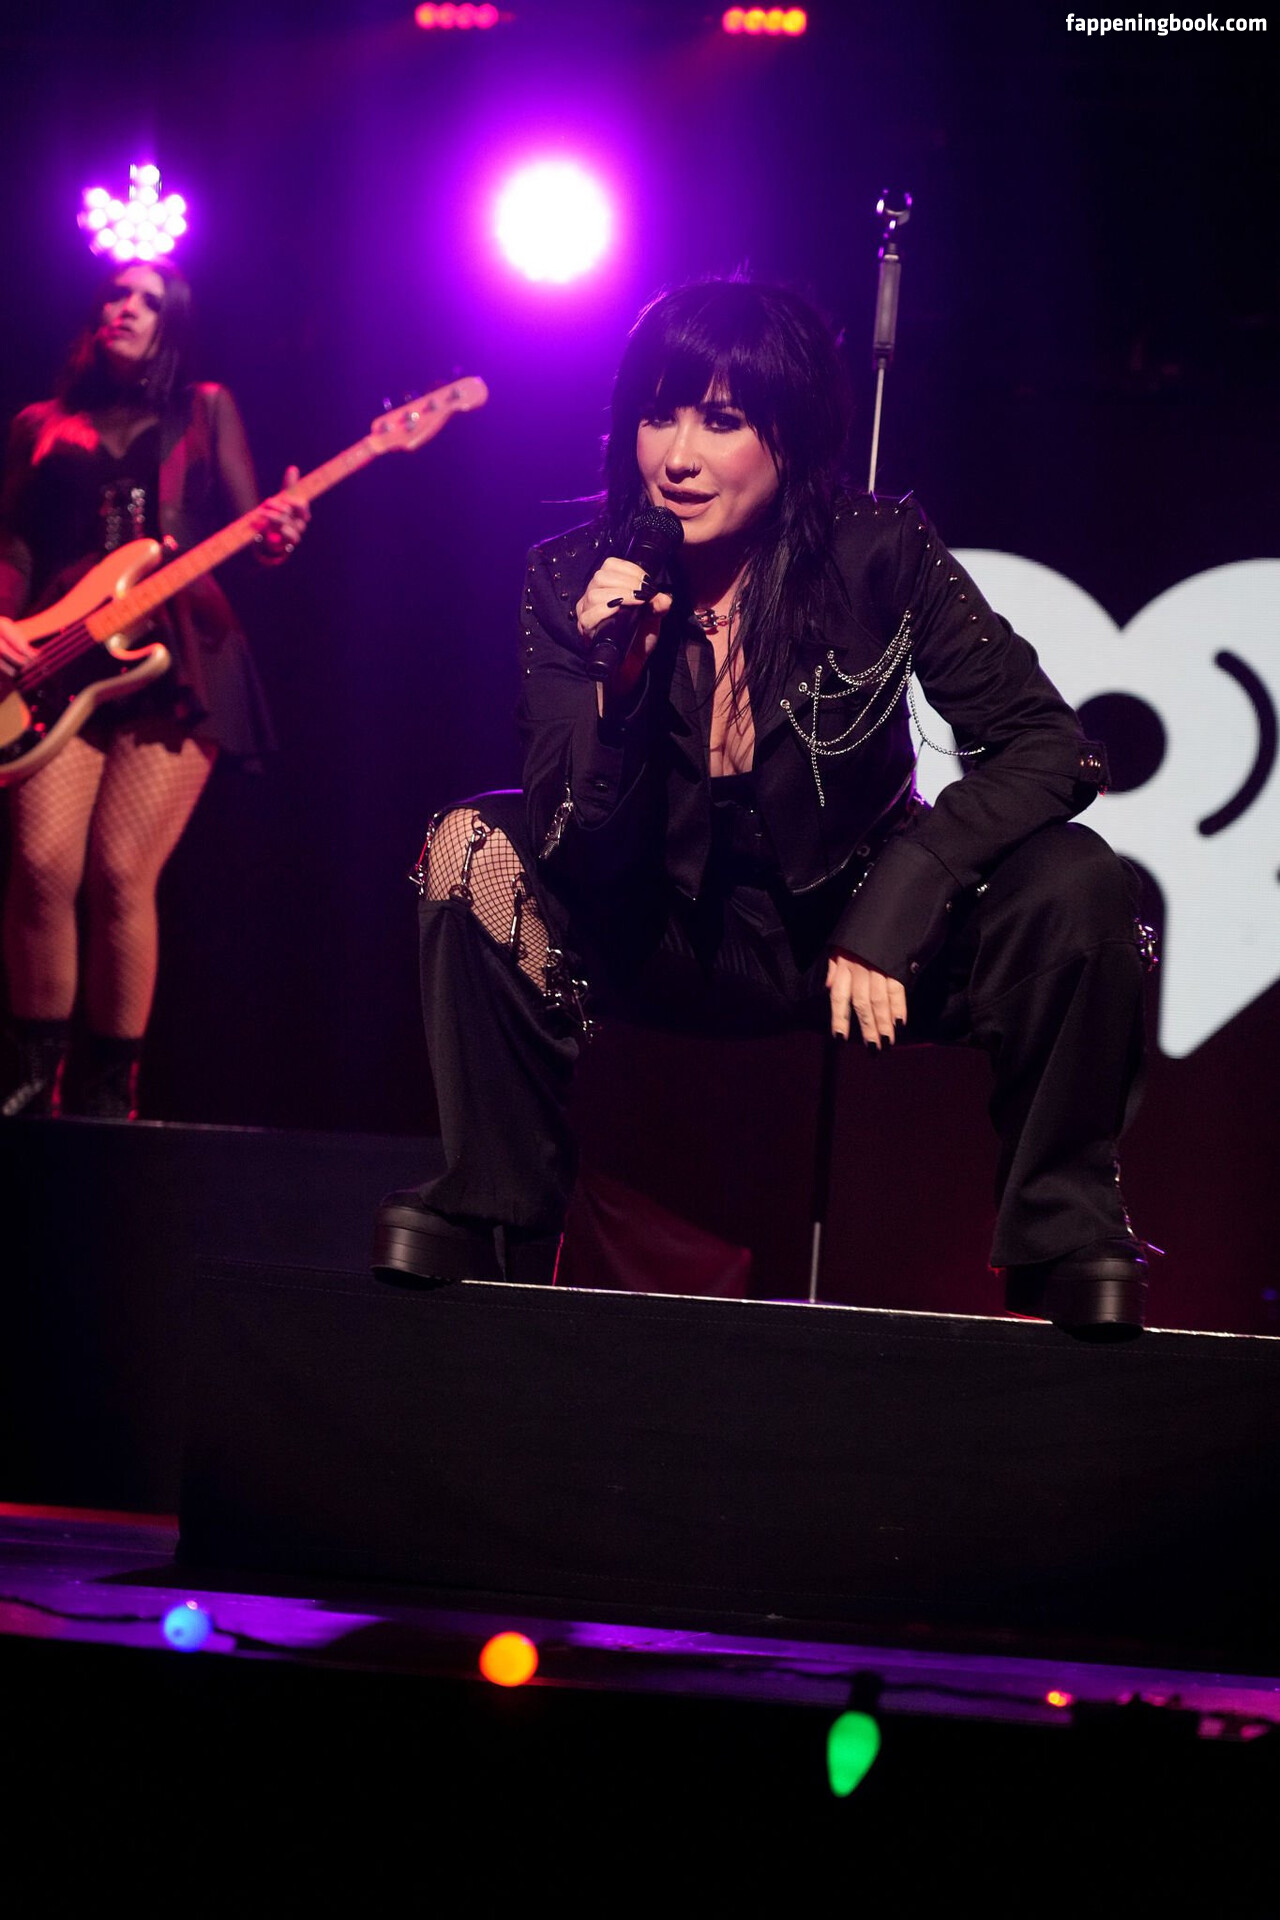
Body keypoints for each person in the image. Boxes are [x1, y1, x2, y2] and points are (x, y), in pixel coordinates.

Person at [374, 278, 1153, 1338]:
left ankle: (1063, 1233)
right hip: (651, 929)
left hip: (858, 935)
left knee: (1077, 877)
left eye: (720, 421)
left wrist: (906, 891)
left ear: (789, 434)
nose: (676, 457)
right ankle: (491, 1206)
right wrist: (619, 686)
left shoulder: (876, 550)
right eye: (657, 416)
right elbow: (570, 838)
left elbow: (1048, 747)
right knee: (472, 845)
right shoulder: (570, 579)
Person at [0, 258, 309, 1118]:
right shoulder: (40, 424)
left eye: (148, 299)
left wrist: (281, 533)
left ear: (171, 321)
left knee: (120, 874)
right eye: (116, 294)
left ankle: (108, 1097)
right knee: (39, 865)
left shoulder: (204, 407)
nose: (127, 307)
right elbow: (14, 545)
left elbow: (254, 531)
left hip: (179, 651)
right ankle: (30, 1082)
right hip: (56, 652)